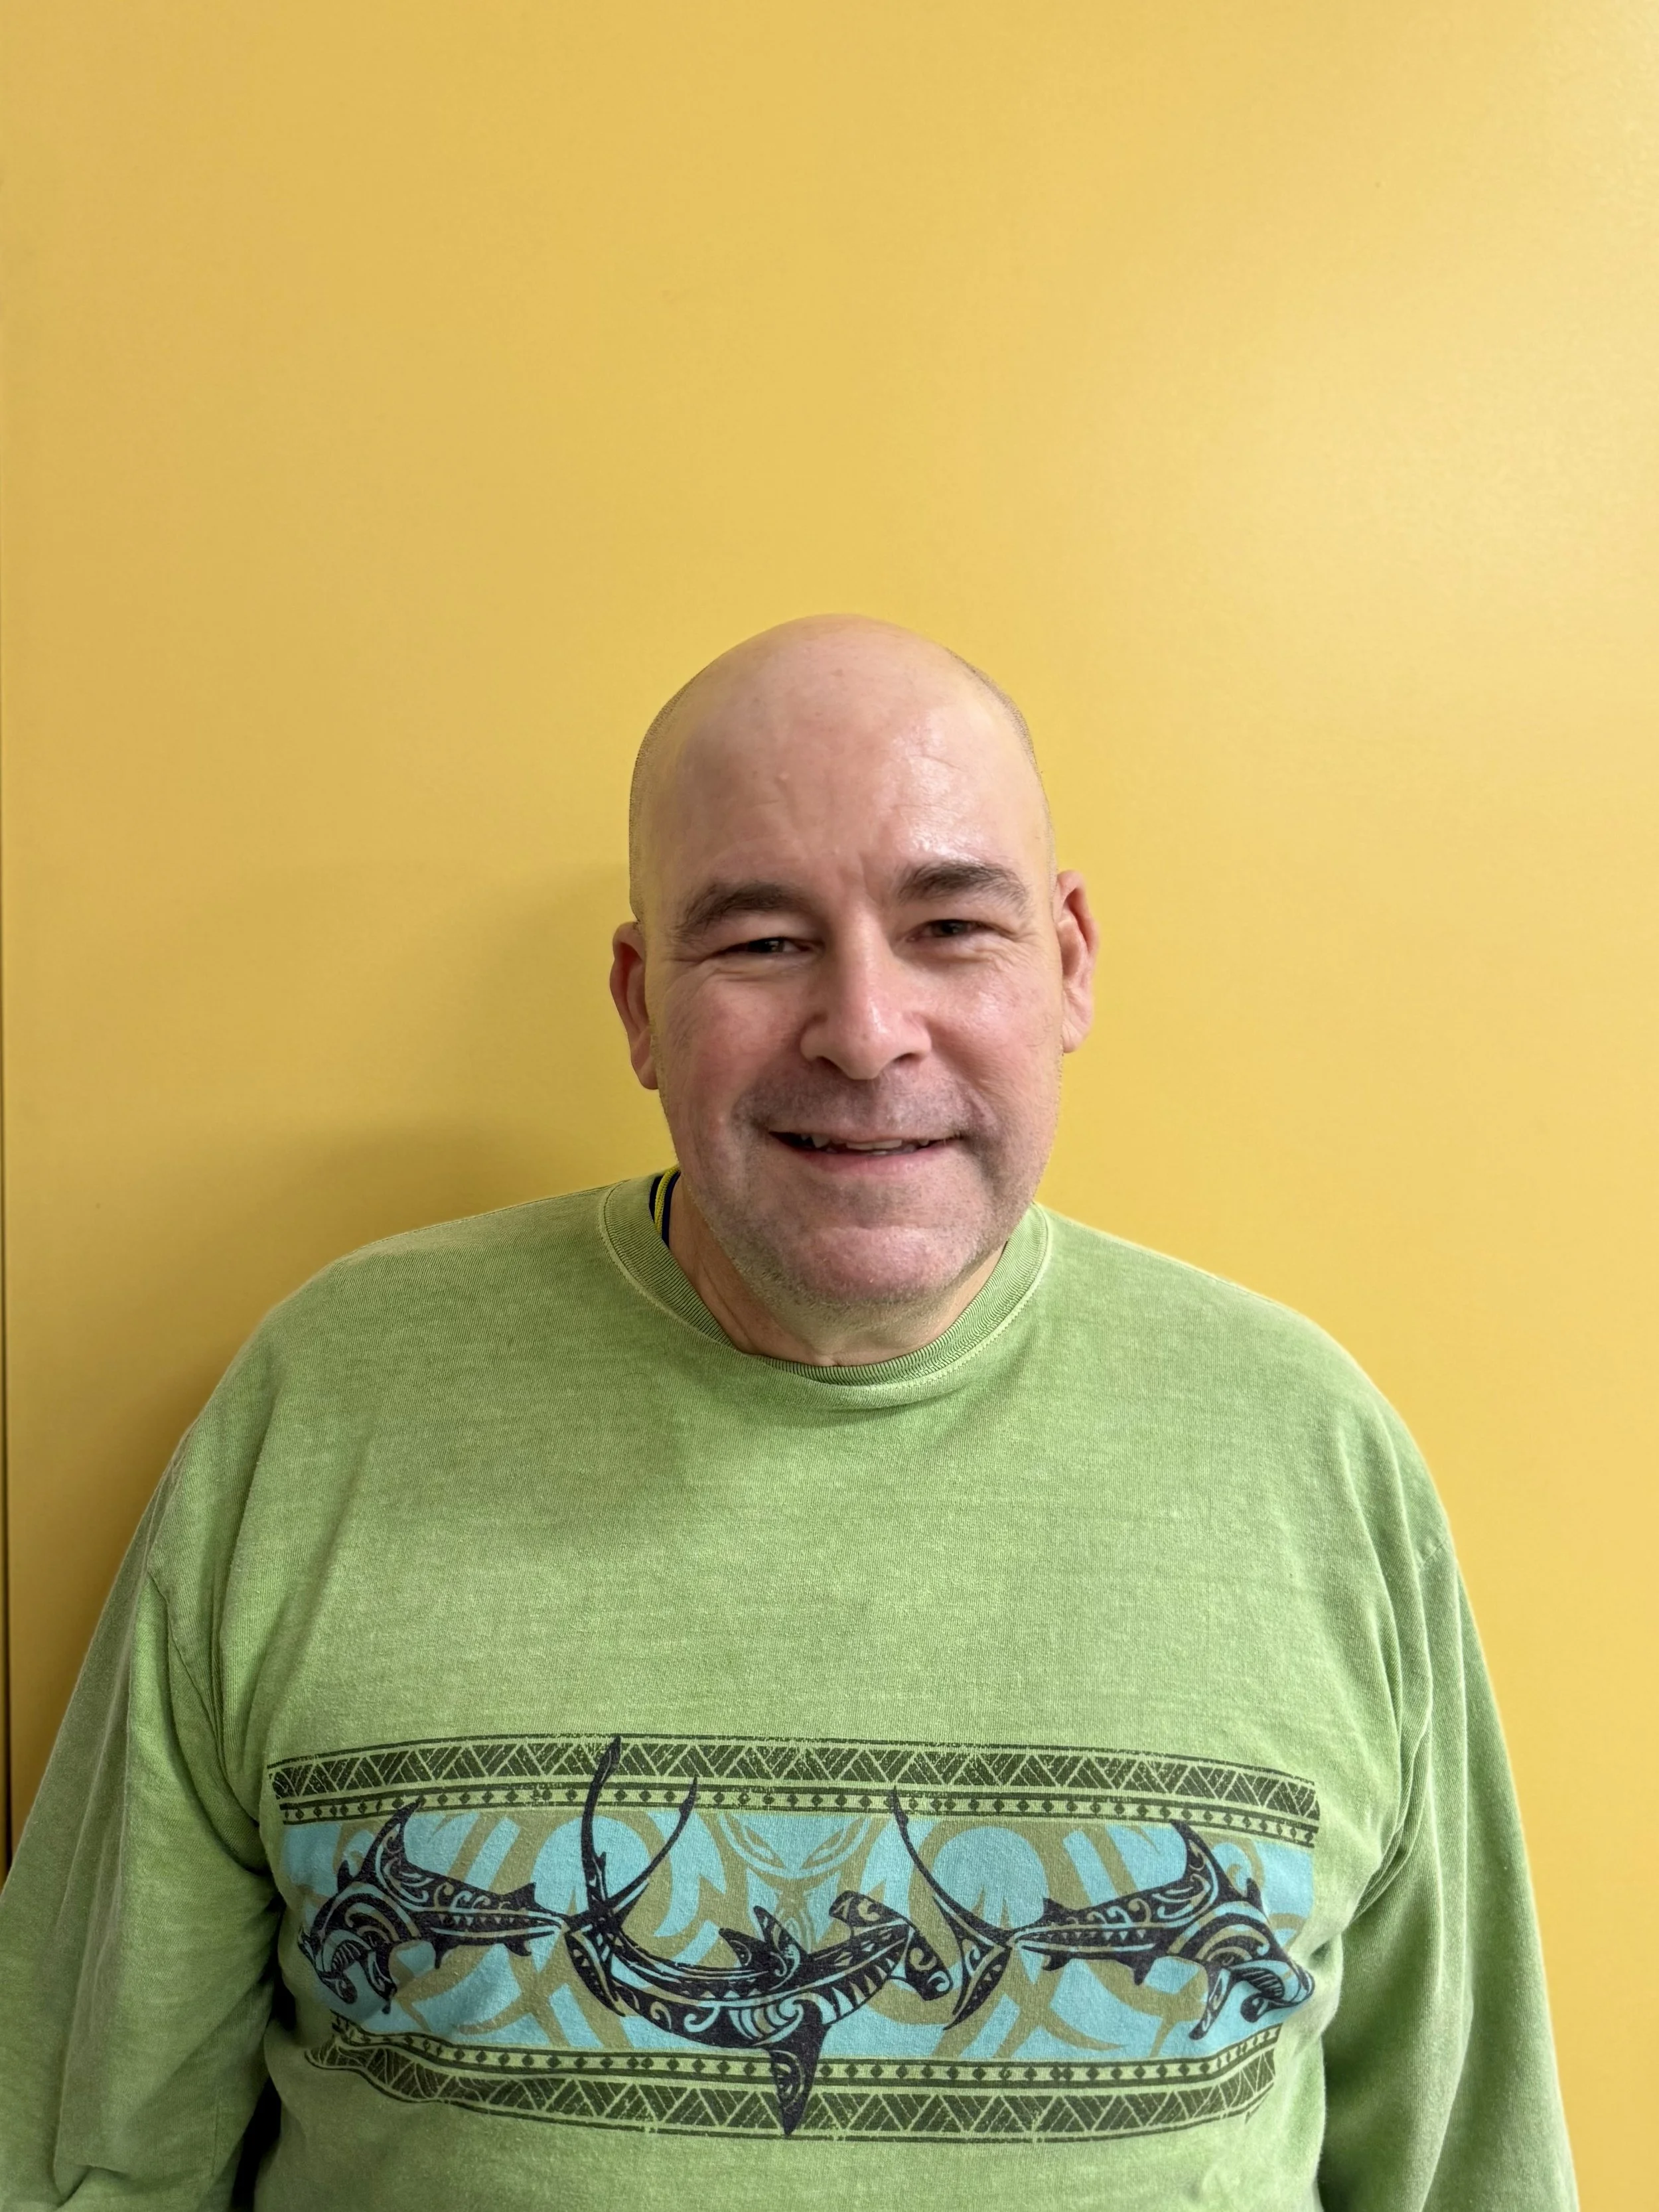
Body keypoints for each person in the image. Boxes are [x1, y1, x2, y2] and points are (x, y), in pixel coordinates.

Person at [0, 617, 1575, 2209]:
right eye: (760, 941)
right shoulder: (325, 1405)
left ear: (1068, 961)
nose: (865, 1028)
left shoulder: (1310, 1454)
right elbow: (81, 2150)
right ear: (639, 1004)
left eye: (950, 925)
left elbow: (1466, 2167)